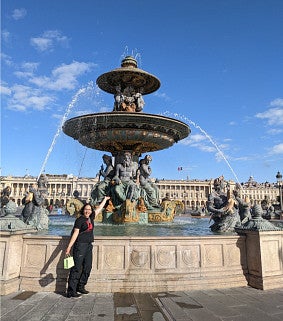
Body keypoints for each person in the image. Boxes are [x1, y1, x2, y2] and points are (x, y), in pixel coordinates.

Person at [65, 196, 110, 298]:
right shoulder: (79, 220)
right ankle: (71, 291)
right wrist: (69, 247)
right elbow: (75, 233)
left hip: (89, 245)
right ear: (83, 210)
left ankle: (81, 286)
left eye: (89, 210)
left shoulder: (91, 217)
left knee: (87, 267)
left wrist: (105, 200)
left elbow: (99, 209)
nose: (87, 211)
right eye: (86, 210)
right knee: (76, 268)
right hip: (80, 245)